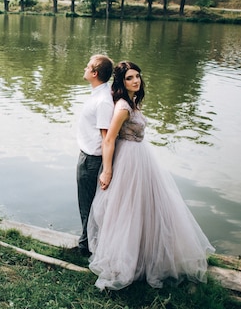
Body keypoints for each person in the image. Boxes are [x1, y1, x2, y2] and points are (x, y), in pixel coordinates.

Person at [87, 61, 215, 290]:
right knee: (128, 210)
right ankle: (126, 261)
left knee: (147, 208)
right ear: (121, 82)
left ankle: (145, 256)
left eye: (137, 76)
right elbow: (108, 139)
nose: (135, 80)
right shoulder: (123, 107)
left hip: (141, 158)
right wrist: (107, 170)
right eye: (129, 78)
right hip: (129, 161)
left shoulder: (131, 102)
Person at [75, 54, 114, 257]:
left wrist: (106, 170)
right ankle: (87, 243)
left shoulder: (103, 101)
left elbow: (106, 138)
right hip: (87, 156)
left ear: (95, 73)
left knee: (87, 205)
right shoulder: (99, 93)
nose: (85, 68)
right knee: (87, 204)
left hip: (92, 160)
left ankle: (87, 248)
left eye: (88, 66)